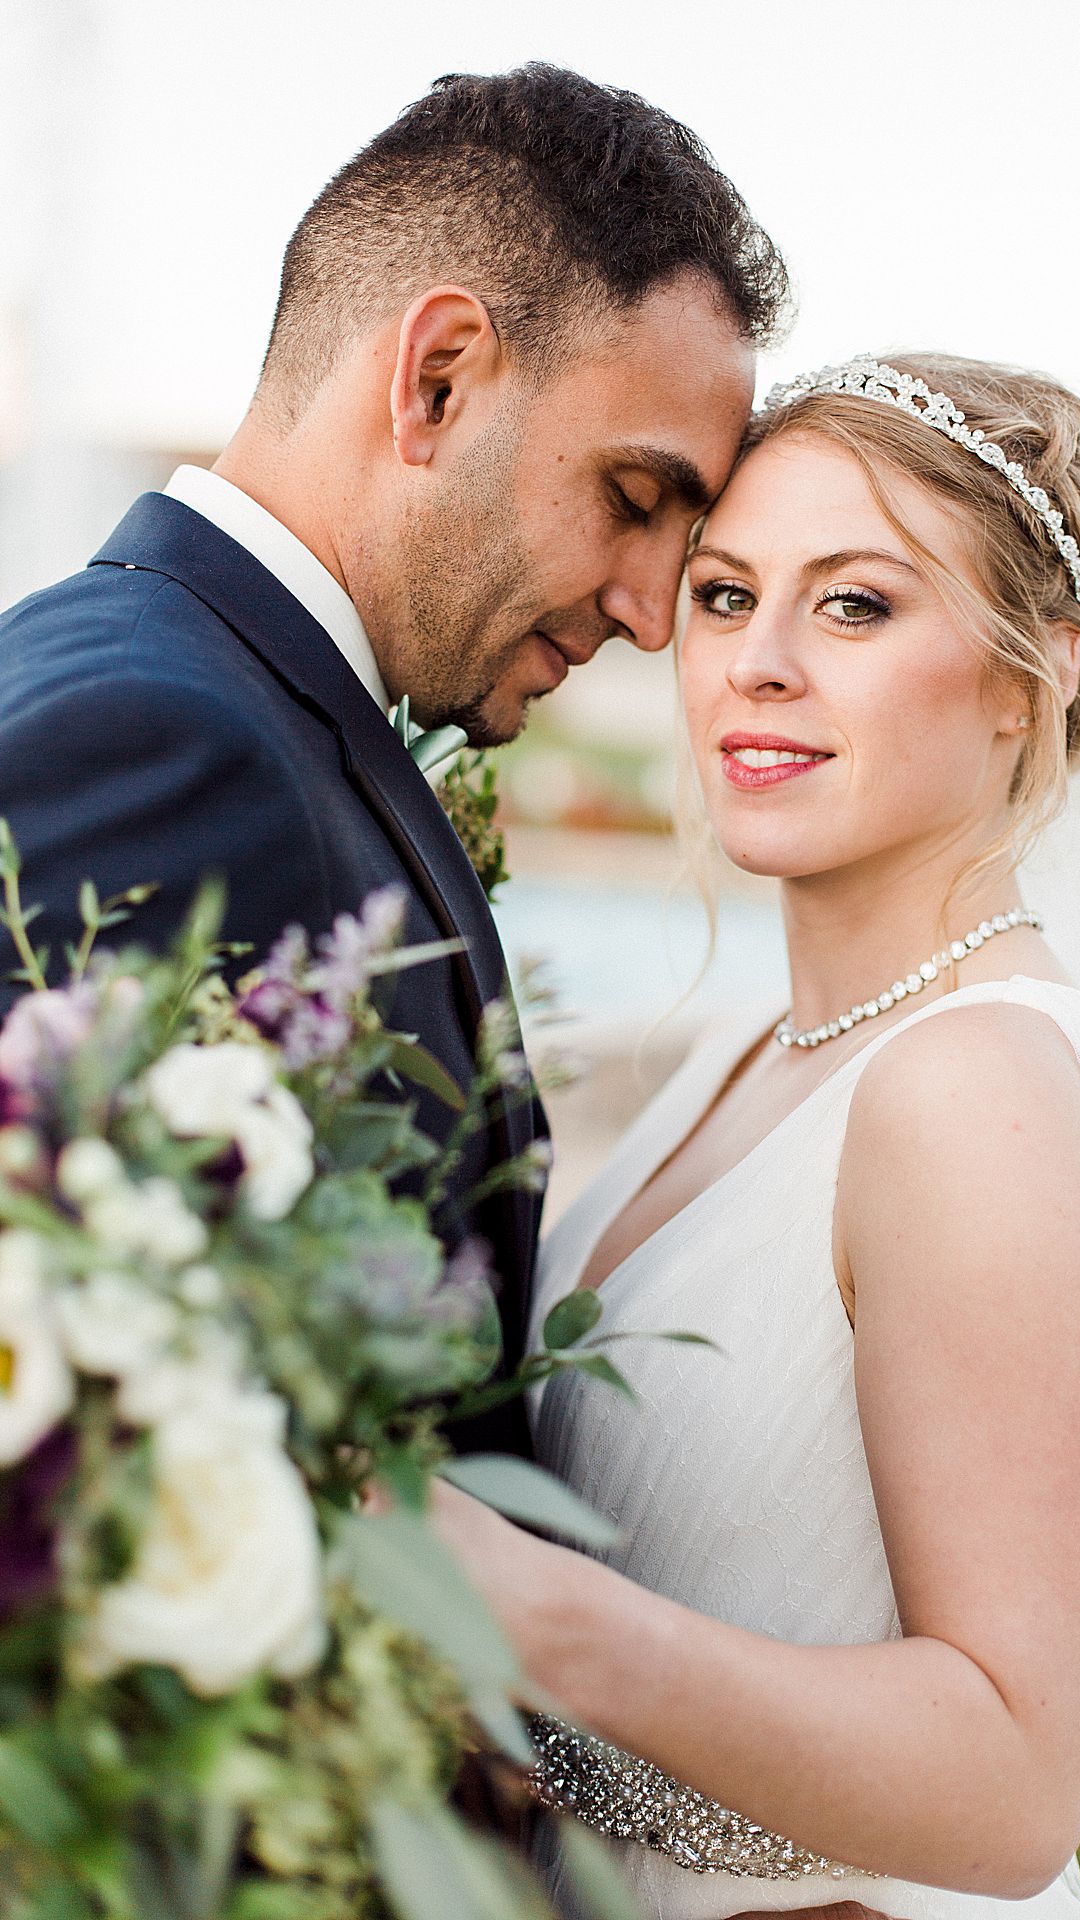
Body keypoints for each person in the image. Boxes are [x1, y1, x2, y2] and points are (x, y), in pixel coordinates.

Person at [433, 353, 1080, 1918]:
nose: (757, 662)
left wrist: (513, 1607)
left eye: (857, 605)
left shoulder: (985, 1089)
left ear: (1034, 676)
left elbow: (1013, 1786)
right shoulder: (771, 1038)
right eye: (725, 595)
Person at [0, 63, 783, 1456]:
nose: (654, 613)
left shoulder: (162, 677)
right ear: (436, 380)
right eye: (632, 497)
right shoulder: (172, 748)